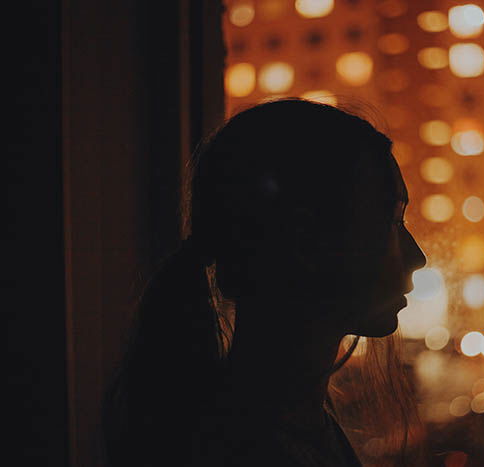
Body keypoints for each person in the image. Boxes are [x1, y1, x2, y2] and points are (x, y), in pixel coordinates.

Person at [101, 98, 427, 466]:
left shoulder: (287, 426)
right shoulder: (250, 446)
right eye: (391, 222)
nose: (417, 256)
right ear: (304, 239)